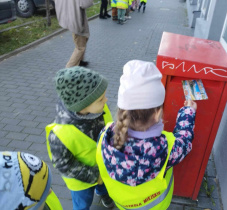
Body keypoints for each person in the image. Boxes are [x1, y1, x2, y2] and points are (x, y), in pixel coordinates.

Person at [96, 60, 197, 209]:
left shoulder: (105, 134)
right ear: (157, 114)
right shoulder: (167, 147)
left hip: (122, 204)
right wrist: (188, 112)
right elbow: (185, 139)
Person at [45, 66, 114, 209]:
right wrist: (95, 176)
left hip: (104, 166)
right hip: (81, 180)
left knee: (104, 185)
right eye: (101, 99)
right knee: (82, 203)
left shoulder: (100, 109)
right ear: (83, 106)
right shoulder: (59, 134)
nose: (106, 100)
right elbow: (64, 165)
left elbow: (110, 128)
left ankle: (103, 193)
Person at [54, 0, 94, 68]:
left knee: (84, 38)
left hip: (69, 16)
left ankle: (80, 61)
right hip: (76, 18)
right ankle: (68, 68)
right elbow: (86, 4)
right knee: (80, 47)